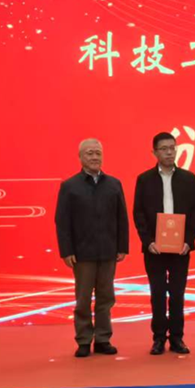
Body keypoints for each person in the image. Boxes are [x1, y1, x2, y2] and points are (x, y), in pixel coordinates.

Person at [55, 138, 129, 358]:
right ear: (80, 157)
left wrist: (122, 246)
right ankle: (84, 339)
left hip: (108, 250)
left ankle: (103, 338)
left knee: (106, 298)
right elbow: (62, 221)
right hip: (82, 253)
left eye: (98, 153)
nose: (95, 157)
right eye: (89, 153)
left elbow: (122, 218)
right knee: (83, 299)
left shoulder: (114, 184)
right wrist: (66, 250)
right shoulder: (70, 186)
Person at [133, 132, 195, 355]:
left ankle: (177, 338)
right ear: (154, 152)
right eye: (164, 149)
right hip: (155, 248)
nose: (169, 152)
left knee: (178, 294)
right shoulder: (144, 179)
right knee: (158, 293)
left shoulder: (188, 178)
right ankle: (159, 338)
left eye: (172, 148)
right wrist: (148, 241)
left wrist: (189, 241)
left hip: (181, 248)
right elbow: (139, 214)